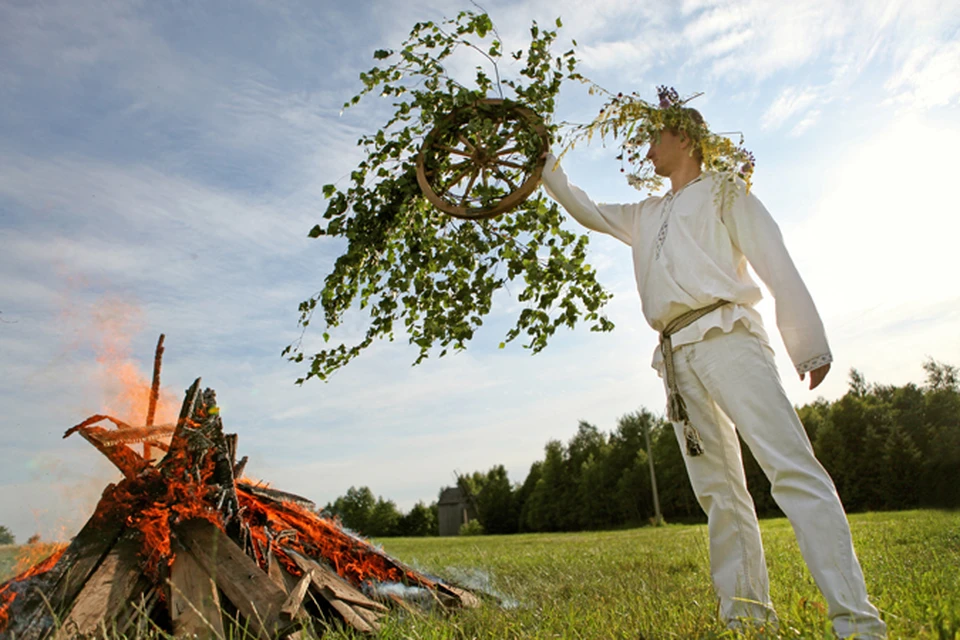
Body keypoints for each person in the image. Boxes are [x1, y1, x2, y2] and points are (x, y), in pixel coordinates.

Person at [539, 108, 887, 639]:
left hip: (729, 338)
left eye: (655, 137)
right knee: (719, 495)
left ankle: (858, 623)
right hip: (675, 358)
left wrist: (808, 346)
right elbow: (585, 208)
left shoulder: (726, 190)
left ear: (684, 136)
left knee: (791, 470)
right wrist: (545, 165)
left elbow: (774, 258)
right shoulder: (645, 213)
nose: (647, 149)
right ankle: (747, 620)